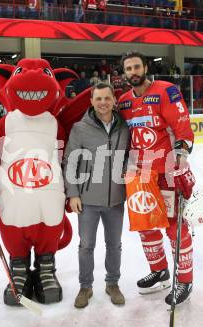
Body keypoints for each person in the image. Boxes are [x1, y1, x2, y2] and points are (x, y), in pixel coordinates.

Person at [118, 51, 195, 305]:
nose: (133, 72)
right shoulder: (124, 102)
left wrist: (181, 159)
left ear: (146, 66)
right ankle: (160, 269)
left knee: (175, 229)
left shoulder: (166, 91)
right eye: (128, 69)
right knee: (147, 227)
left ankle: (184, 280)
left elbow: (183, 128)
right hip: (141, 175)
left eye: (136, 67)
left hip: (166, 173)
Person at [63, 82, 129, 308]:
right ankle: (85, 287)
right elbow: (70, 163)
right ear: (91, 101)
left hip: (116, 200)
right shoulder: (80, 128)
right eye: (98, 99)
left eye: (107, 98)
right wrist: (73, 194)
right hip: (88, 200)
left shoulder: (124, 127)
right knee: (86, 246)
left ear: (114, 101)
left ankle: (112, 284)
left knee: (114, 245)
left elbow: (130, 156)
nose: (103, 103)